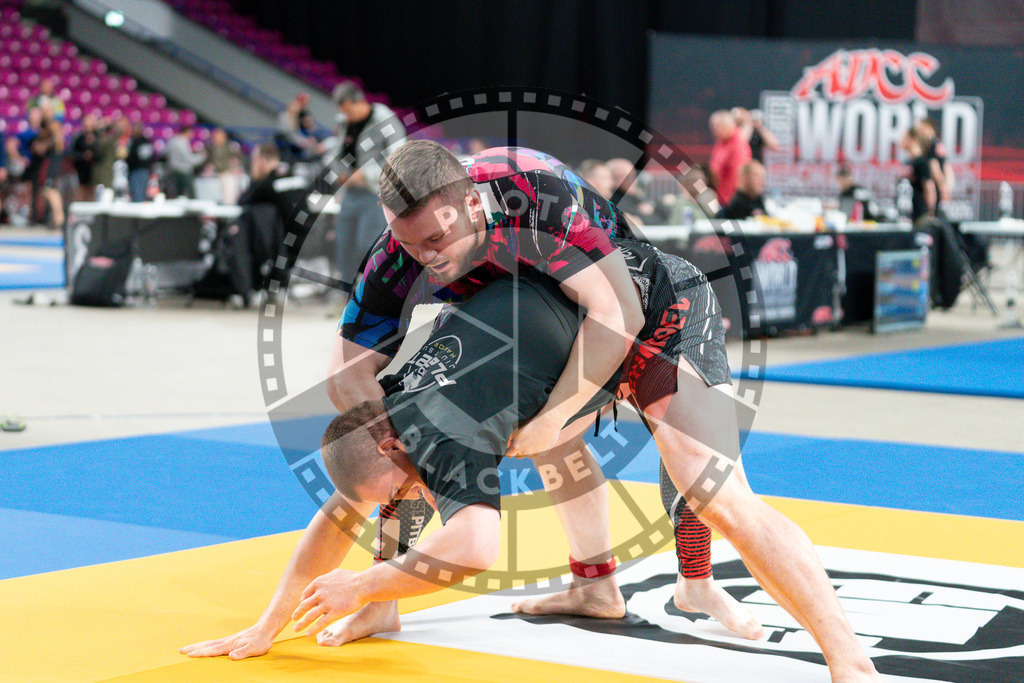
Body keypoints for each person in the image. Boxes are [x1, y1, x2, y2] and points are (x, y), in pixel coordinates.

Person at [328, 81, 406, 290]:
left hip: (376, 194)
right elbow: (336, 153)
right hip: (351, 193)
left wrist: (366, 174)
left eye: (349, 111)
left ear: (359, 102)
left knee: (367, 245)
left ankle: (371, 292)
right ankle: (344, 294)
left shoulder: (386, 121)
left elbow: (397, 159)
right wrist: (338, 173)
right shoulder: (344, 122)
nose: (347, 116)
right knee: (343, 243)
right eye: (343, 112)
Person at [708, 109, 751, 208]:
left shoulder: (738, 143)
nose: (713, 131)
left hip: (730, 200)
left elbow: (740, 173)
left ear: (725, 126)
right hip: (721, 197)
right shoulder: (722, 141)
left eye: (715, 127)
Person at [914, 117, 953, 210]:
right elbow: (947, 166)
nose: (918, 131)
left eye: (920, 127)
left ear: (928, 128)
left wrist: (943, 187)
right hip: (938, 187)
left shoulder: (932, 145)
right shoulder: (936, 143)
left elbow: (935, 166)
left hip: (935, 188)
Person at [901, 129, 935, 224]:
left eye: (904, 138)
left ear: (913, 140)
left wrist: (929, 213)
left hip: (921, 215)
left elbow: (929, 187)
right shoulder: (910, 162)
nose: (901, 141)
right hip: (910, 215)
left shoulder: (922, 161)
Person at [165, 126, 206, 198]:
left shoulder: (172, 140)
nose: (192, 135)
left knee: (177, 193)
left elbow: (165, 153)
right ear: (187, 132)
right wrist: (201, 157)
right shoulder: (182, 141)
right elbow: (188, 159)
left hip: (173, 169)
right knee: (190, 193)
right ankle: (194, 208)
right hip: (183, 170)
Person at [70, 114, 99, 202]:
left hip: (94, 171)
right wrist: (83, 156)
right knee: (80, 192)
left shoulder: (98, 138)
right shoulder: (78, 138)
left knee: (91, 193)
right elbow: (71, 153)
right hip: (80, 171)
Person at [125, 123, 155, 202]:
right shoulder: (147, 141)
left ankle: (138, 212)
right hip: (146, 170)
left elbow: (131, 158)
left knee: (137, 193)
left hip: (136, 170)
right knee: (142, 192)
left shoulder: (135, 142)